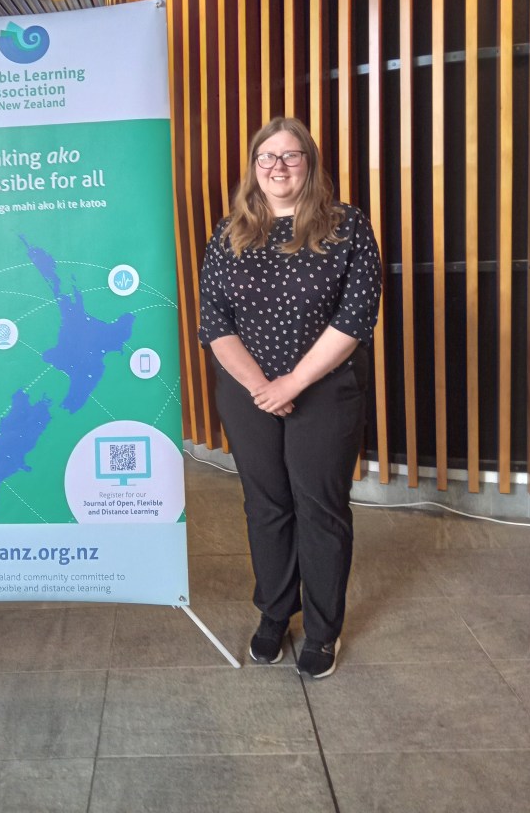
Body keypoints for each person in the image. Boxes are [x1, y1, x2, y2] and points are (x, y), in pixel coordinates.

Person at [198, 116, 382, 678]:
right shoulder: (229, 233)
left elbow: (356, 317)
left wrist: (291, 385)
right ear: (255, 168)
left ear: (310, 164)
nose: (278, 167)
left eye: (291, 156)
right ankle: (275, 614)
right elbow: (213, 322)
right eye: (267, 157)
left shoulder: (346, 225)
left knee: (320, 509)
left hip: (325, 392)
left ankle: (324, 631)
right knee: (266, 506)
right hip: (249, 395)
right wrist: (260, 387)